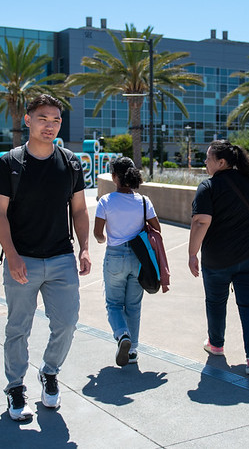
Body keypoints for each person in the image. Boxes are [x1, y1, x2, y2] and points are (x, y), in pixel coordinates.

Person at [0, 94, 91, 421]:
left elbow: (79, 209)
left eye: (56, 120)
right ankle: (15, 386)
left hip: (61, 258)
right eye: (43, 118)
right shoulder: (9, 164)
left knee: (67, 323)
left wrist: (84, 247)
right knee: (18, 327)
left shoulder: (70, 162)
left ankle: (49, 371)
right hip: (22, 260)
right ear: (28, 120)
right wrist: (11, 255)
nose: (50, 125)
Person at [188, 140, 249, 375]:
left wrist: (192, 253)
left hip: (218, 258)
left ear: (221, 162)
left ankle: (216, 344)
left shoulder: (208, 186)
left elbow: (201, 221)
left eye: (208, 158)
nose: (205, 162)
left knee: (216, 302)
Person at [94, 157, 161, 367]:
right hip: (138, 258)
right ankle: (132, 351)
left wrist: (104, 239)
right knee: (133, 305)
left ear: (114, 177)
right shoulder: (143, 201)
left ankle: (122, 334)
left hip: (115, 256)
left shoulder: (106, 201)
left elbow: (98, 234)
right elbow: (157, 228)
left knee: (114, 303)